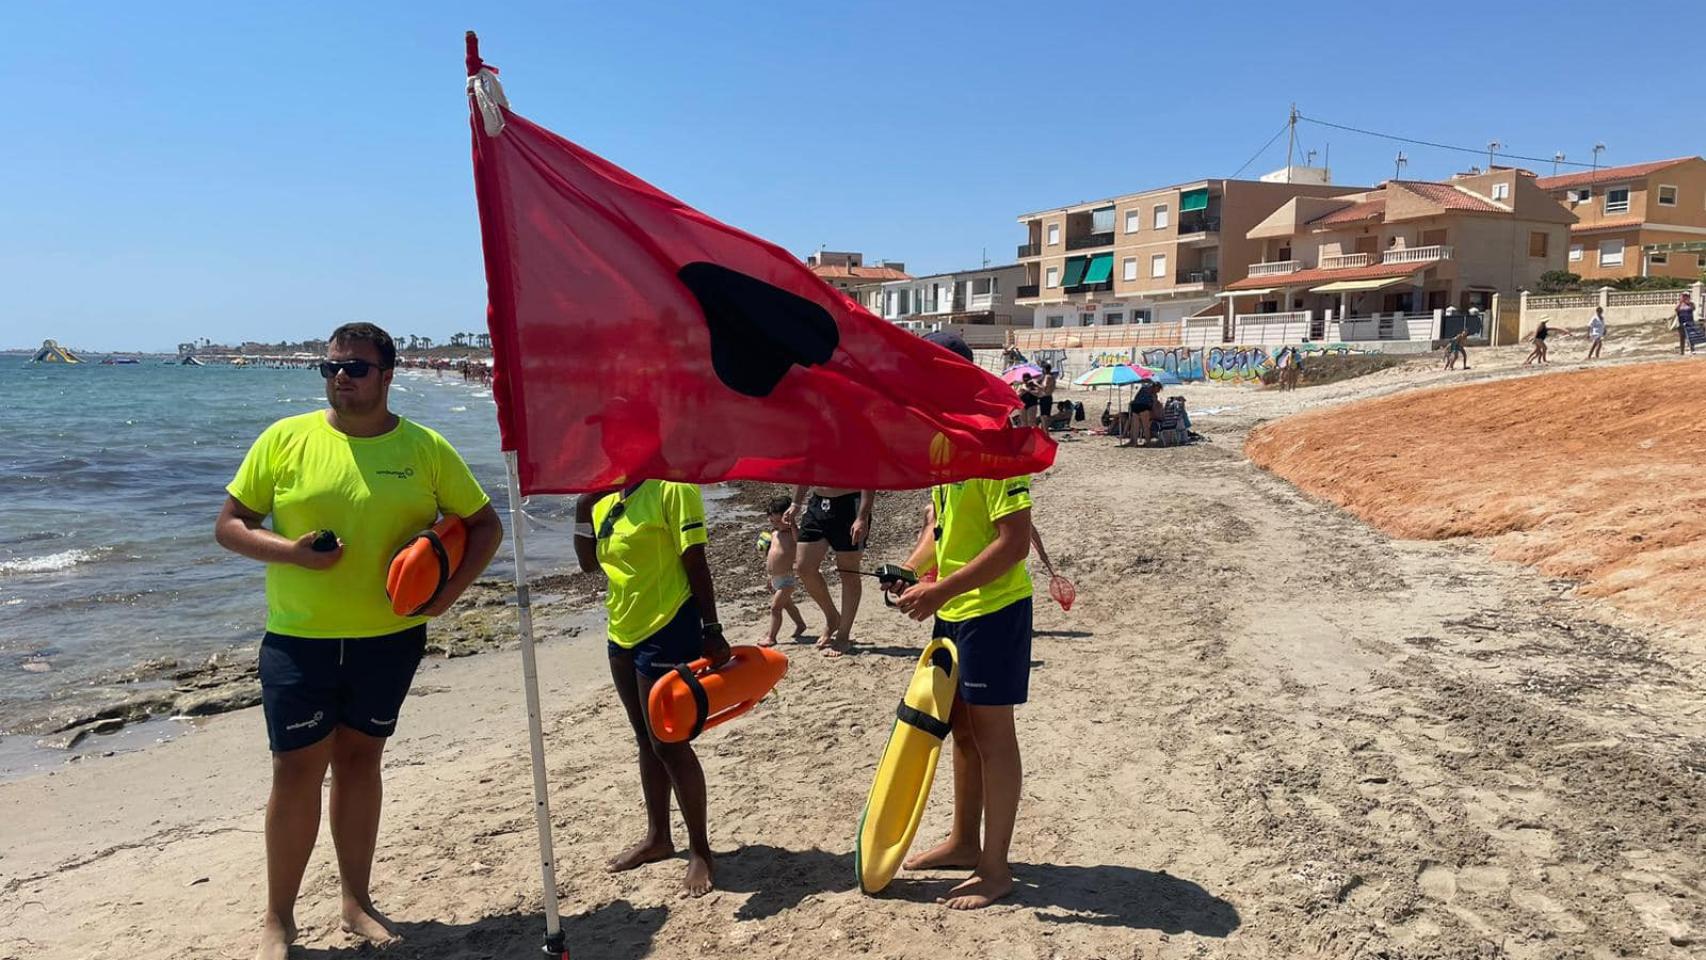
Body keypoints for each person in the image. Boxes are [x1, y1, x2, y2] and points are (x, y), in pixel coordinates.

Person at [215, 323, 504, 960]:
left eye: (355, 367)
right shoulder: (285, 439)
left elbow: (484, 525)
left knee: (359, 763)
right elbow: (231, 526)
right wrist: (290, 552)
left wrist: (446, 597)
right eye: (330, 367)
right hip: (299, 637)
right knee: (294, 772)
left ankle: (355, 902)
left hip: (389, 639)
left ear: (387, 374)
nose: (340, 377)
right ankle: (279, 919)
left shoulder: (425, 448)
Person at [884, 329, 1034, 911]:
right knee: (964, 733)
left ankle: (996, 869)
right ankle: (964, 842)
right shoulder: (942, 440)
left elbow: (1013, 543)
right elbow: (940, 526)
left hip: (994, 611)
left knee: (995, 739)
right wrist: (914, 571)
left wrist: (940, 588)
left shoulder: (993, 441)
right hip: (956, 609)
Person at [573, 479, 729, 897]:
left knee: (669, 742)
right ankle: (658, 837)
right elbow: (590, 565)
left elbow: (696, 561)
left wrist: (711, 629)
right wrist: (582, 509)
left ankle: (701, 851)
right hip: (621, 631)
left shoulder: (672, 488)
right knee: (644, 738)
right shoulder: (605, 497)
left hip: (669, 627)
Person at [783, 484, 874, 656]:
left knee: (848, 572)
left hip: (849, 504)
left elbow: (869, 476)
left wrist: (862, 516)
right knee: (804, 567)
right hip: (818, 503)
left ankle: (843, 635)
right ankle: (832, 617)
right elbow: (806, 468)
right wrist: (795, 503)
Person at [760, 496, 807, 647]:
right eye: (772, 521)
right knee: (788, 606)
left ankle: (771, 637)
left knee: (775, 608)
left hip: (787, 580)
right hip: (775, 578)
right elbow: (771, 556)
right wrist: (769, 578)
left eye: (778, 521)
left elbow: (799, 540)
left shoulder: (792, 534)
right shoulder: (774, 534)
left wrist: (792, 524)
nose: (774, 524)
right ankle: (800, 624)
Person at [1121, 379, 1161, 447]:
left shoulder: (1143, 388)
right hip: (1143, 407)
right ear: (1156, 387)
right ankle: (1148, 442)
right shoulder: (1153, 394)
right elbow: (1153, 407)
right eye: (1158, 390)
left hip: (1135, 406)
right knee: (1146, 426)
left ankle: (1133, 441)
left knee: (1135, 426)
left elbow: (1136, 398)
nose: (1158, 391)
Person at [1036, 362, 1058, 427]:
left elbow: (1044, 386)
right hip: (1049, 397)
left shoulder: (1047, 377)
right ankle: (1045, 430)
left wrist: (1036, 384)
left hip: (1044, 397)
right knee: (1047, 415)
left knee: (1043, 415)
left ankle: (1044, 430)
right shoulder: (1053, 377)